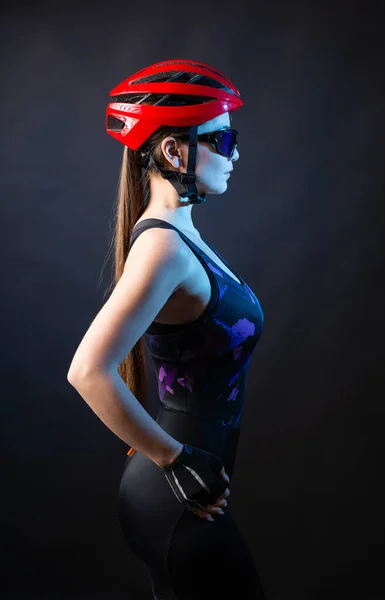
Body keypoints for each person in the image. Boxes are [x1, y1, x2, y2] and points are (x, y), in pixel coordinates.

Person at [67, 59, 265, 599]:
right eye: (223, 140)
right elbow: (88, 371)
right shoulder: (162, 247)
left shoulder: (180, 234)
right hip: (174, 496)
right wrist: (175, 460)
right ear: (175, 152)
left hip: (183, 494)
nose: (236, 153)